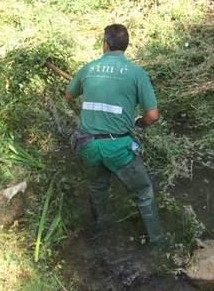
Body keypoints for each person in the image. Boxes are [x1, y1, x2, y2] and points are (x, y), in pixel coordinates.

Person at [65, 24, 165, 246]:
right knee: (144, 191)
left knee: (97, 188)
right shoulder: (137, 74)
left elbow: (68, 96)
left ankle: (101, 233)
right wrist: (140, 124)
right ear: (125, 46)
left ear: (105, 44)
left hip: (88, 145)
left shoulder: (88, 68)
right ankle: (158, 242)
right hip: (117, 147)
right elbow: (153, 115)